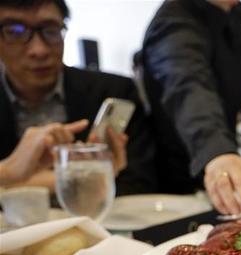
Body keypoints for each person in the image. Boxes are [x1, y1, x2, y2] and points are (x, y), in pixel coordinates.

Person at [0, 0, 157, 194]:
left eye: (50, 30)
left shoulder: (114, 90)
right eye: (14, 32)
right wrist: (8, 171)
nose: (39, 50)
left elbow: (141, 180)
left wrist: (11, 181)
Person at [142, 0, 241, 216]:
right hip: (176, 189)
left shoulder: (236, 12)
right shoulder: (175, 18)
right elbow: (187, 86)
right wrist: (217, 151)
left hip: (220, 176)